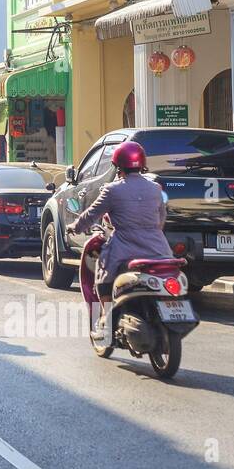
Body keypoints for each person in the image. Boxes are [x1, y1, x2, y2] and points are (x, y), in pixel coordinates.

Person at [68, 141, 171, 339]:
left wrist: (75, 226)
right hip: (159, 249)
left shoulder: (112, 190)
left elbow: (91, 214)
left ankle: (106, 323)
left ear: (118, 165)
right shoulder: (155, 189)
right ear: (142, 163)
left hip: (124, 247)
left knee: (102, 277)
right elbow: (161, 220)